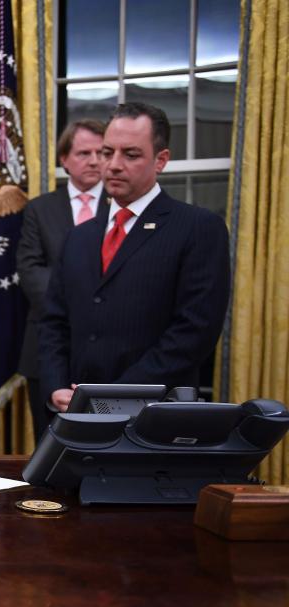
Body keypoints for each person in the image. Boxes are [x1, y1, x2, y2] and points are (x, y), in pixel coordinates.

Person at [39, 102, 230, 413]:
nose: (112, 165)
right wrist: (55, 387)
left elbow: (194, 333)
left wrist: (110, 399)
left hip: (153, 422)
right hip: (73, 419)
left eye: (130, 154)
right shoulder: (80, 235)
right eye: (106, 152)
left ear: (161, 160)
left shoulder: (198, 228)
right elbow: (54, 323)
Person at [17, 119, 108, 439]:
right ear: (64, 159)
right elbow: (30, 272)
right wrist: (83, 305)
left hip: (107, 346)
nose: (95, 161)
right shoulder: (40, 209)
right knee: (50, 444)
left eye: (102, 152)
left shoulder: (119, 207)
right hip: (46, 347)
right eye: (85, 153)